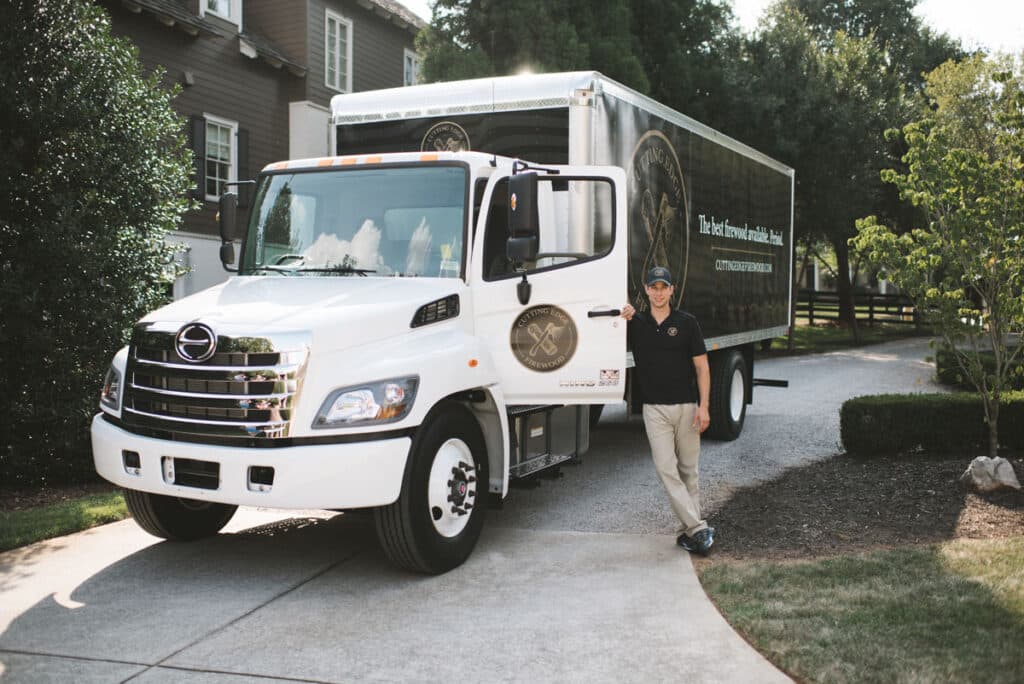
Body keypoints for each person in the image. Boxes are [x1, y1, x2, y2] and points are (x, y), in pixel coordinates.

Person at [621, 266, 714, 555]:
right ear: (646, 290)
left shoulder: (687, 323)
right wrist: (622, 312)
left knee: (689, 472)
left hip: (687, 408)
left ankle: (689, 532)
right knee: (666, 470)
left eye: (664, 287)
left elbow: (702, 367)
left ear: (672, 290)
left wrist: (704, 407)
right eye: (654, 287)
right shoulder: (635, 323)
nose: (659, 293)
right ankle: (699, 528)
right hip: (654, 410)